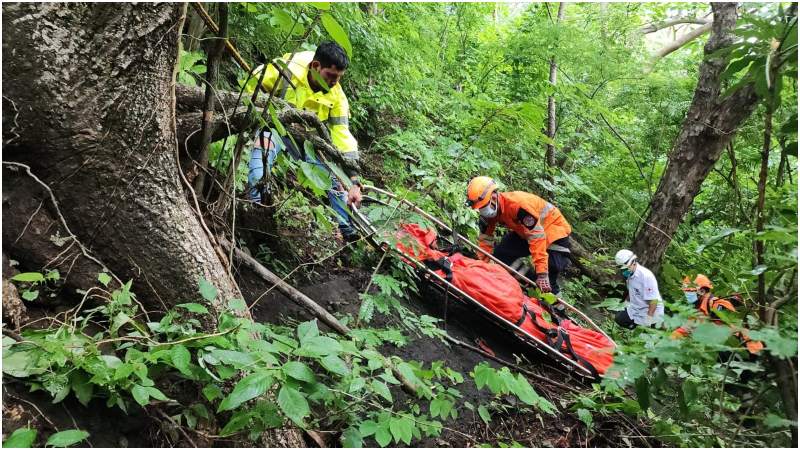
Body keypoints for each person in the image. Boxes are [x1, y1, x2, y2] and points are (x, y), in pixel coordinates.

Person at [247, 42, 362, 241]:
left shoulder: (337, 96)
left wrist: (353, 180)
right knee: (262, 149)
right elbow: (249, 88)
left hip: (308, 142)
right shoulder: (285, 69)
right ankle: (256, 208)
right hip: (274, 128)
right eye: (331, 76)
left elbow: (343, 137)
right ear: (315, 66)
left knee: (334, 177)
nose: (334, 82)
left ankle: (348, 230)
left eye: (338, 78)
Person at [464, 176, 572, 296]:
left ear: (494, 197)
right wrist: (481, 265)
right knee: (501, 254)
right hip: (526, 232)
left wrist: (542, 274)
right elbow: (485, 239)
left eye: (483, 207)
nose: (482, 211)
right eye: (479, 208)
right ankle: (527, 283)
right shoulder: (489, 211)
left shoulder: (518, 205)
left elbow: (537, 237)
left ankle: (557, 309)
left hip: (554, 231)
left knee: (549, 276)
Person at [672, 274, 763, 354]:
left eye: (690, 291)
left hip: (745, 346)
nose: (687, 294)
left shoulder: (717, 304)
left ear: (702, 291)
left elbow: (735, 325)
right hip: (728, 347)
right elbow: (685, 329)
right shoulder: (699, 311)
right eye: (686, 291)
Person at [613, 249, 664, 329]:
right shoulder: (629, 275)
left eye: (626, 269)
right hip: (636, 308)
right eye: (622, 269)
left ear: (633, 262)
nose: (624, 272)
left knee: (649, 333)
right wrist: (626, 304)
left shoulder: (646, 276)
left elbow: (654, 301)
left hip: (651, 310)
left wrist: (649, 319)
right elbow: (632, 291)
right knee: (620, 319)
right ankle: (633, 329)